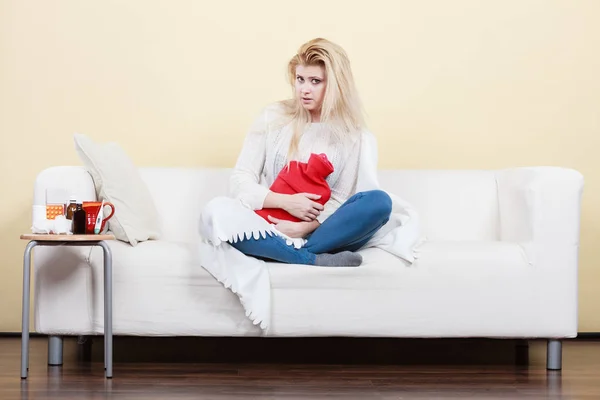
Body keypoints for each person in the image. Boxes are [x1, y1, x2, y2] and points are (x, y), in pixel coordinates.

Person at [206, 37, 393, 267]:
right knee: (215, 211)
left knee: (379, 202)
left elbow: (342, 200)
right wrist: (286, 202)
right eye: (300, 79)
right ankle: (311, 258)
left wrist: (308, 227)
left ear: (336, 85)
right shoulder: (273, 117)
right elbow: (240, 179)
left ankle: (292, 251)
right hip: (272, 224)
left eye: (315, 81)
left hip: (323, 232)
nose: (304, 89)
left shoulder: (356, 136)